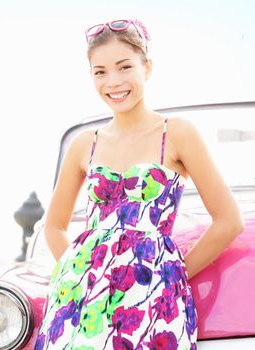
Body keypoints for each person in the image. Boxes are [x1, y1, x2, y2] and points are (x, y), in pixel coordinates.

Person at [34, 19, 244, 349]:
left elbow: (229, 221)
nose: (113, 81)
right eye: (100, 71)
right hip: (81, 301)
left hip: (151, 297)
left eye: (124, 67)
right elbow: (54, 227)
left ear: (147, 68)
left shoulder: (176, 133)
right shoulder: (83, 143)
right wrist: (78, 274)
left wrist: (171, 274)